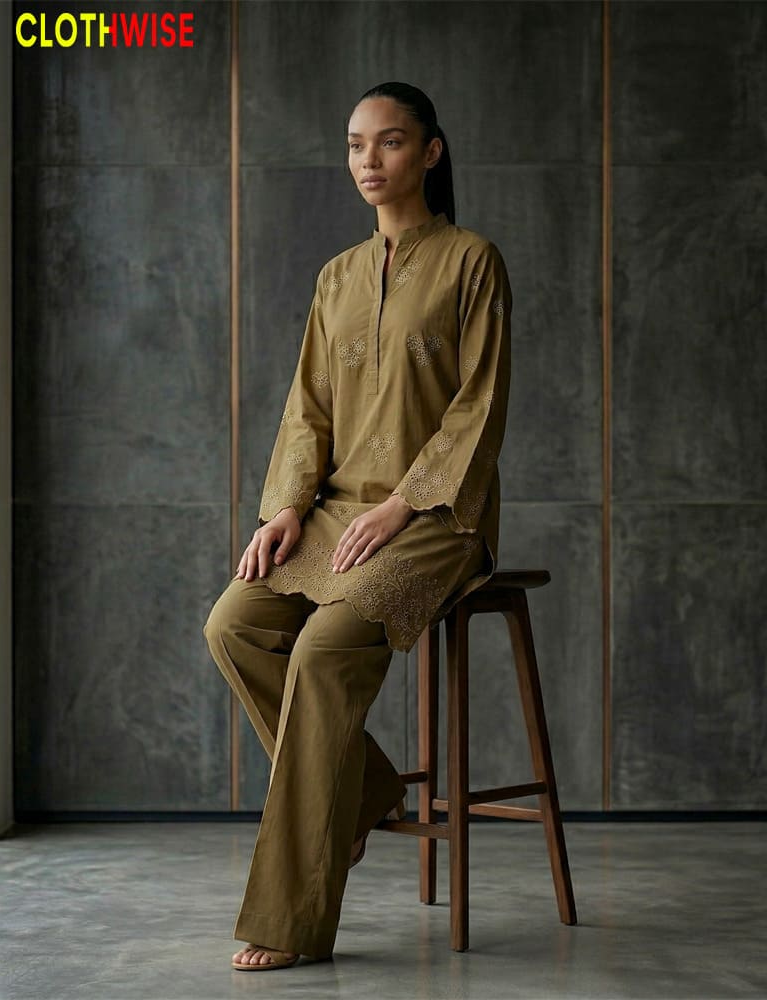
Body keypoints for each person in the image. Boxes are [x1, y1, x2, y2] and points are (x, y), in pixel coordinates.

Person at [203, 80, 513, 972]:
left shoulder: (471, 261)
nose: (367, 162)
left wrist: (401, 503)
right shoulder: (337, 276)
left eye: (387, 143)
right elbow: (308, 411)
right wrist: (289, 508)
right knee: (235, 623)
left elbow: (478, 408)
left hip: (437, 515)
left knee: (324, 651)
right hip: (338, 509)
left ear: (430, 152)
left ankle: (292, 916)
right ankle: (363, 789)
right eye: (354, 145)